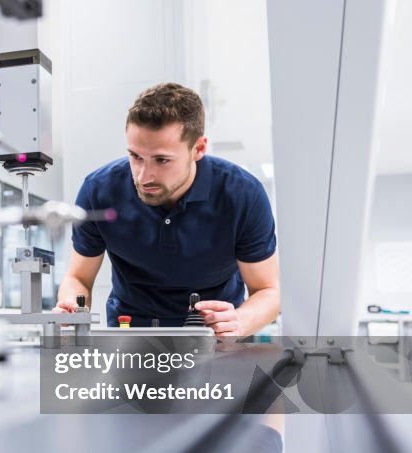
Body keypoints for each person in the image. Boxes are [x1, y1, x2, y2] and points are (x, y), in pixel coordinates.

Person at [55, 82, 280, 336]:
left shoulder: (243, 195)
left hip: (214, 337)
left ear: (199, 149)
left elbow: (268, 291)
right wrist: (72, 306)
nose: (143, 176)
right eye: (135, 156)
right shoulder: (98, 191)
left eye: (162, 160)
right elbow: (78, 278)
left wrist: (240, 320)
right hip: (130, 334)